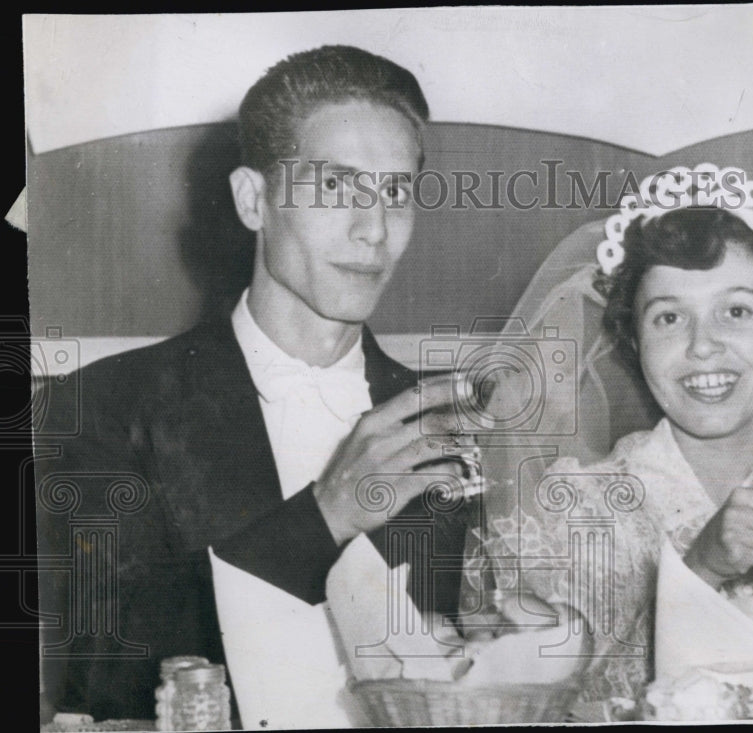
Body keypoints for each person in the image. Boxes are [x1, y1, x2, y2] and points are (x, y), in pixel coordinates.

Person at [35, 45, 475, 728]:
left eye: (394, 191)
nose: (375, 229)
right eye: (336, 187)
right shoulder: (104, 405)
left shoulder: (441, 417)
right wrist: (326, 515)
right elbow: (106, 677)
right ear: (252, 199)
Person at [465, 166, 753, 715]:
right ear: (635, 346)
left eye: (736, 311)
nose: (702, 346)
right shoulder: (570, 508)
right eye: (669, 318)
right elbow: (549, 707)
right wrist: (700, 574)